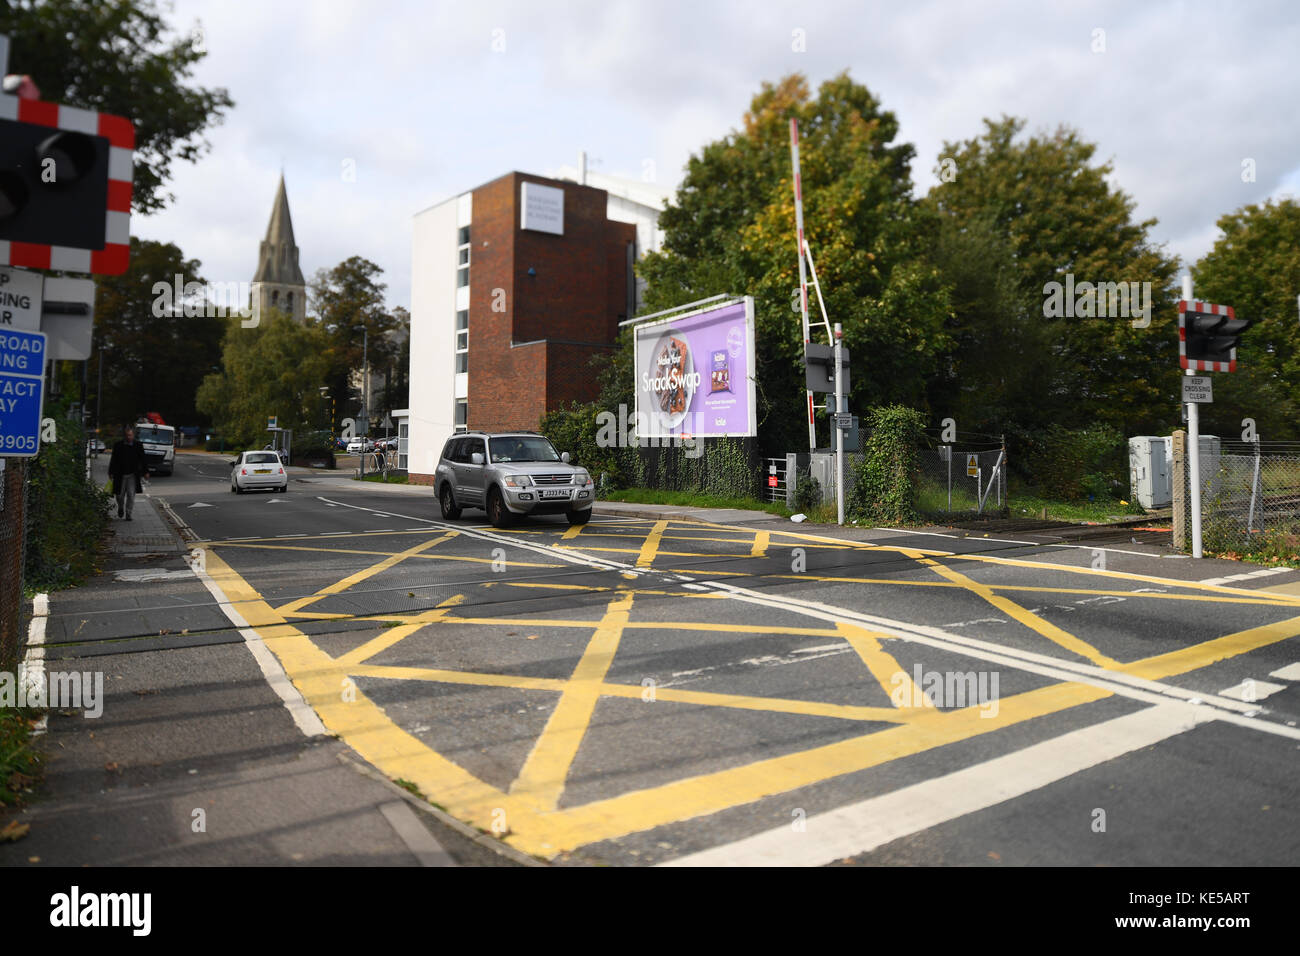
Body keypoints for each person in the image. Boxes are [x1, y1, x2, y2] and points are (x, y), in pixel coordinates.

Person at [109, 425, 147, 520]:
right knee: (119, 495)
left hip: (132, 475)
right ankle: (121, 507)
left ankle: (129, 514)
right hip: (120, 474)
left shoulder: (138, 445)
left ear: (133, 435)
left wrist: (146, 471)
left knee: (131, 495)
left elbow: (143, 459)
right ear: (124, 436)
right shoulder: (118, 445)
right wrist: (111, 472)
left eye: (130, 435)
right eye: (127, 435)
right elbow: (113, 459)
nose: (128, 437)